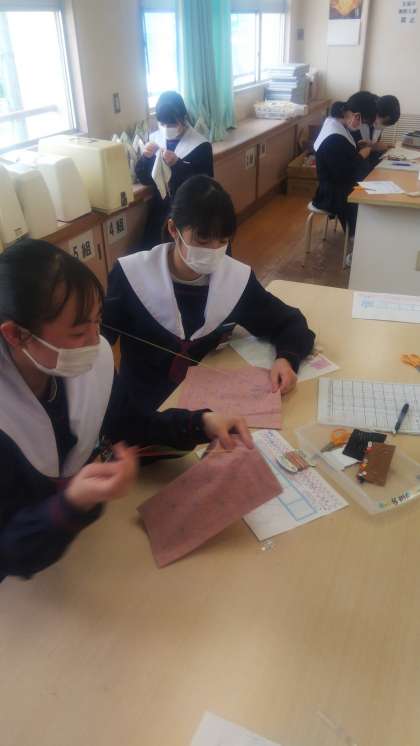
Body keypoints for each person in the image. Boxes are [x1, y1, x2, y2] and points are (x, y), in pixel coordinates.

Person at [0, 240, 252, 582]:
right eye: (78, 332)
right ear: (16, 335)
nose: (96, 340)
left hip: (81, 553)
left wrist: (200, 423)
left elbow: (129, 423)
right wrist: (71, 504)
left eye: (98, 321)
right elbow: (8, 551)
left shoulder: (77, 365)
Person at [102, 175, 315, 415]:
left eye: (222, 241)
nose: (213, 251)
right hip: (141, 408)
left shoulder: (234, 280)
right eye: (202, 239)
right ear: (173, 229)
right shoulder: (131, 275)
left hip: (206, 407)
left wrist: (286, 359)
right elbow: (97, 341)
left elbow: (288, 322)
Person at [136, 91, 214, 250]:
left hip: (190, 213)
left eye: (171, 124)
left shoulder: (201, 145)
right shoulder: (155, 139)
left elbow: (205, 185)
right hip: (160, 212)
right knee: (155, 254)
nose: (167, 128)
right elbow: (145, 178)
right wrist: (146, 157)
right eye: (163, 124)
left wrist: (178, 165)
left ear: (182, 118)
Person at [312, 92, 377, 239]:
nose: (362, 126)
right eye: (363, 122)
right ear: (356, 116)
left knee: (372, 185)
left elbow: (344, 159)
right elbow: (344, 173)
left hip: (338, 185)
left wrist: (359, 151)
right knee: (370, 197)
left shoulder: (336, 123)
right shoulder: (334, 137)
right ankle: (358, 238)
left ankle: (362, 235)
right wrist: (361, 155)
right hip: (333, 193)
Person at [356, 94, 401, 168]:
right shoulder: (360, 122)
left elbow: (373, 146)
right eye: (384, 122)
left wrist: (385, 147)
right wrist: (373, 147)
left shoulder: (377, 123)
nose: (383, 127)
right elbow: (358, 152)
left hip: (370, 162)